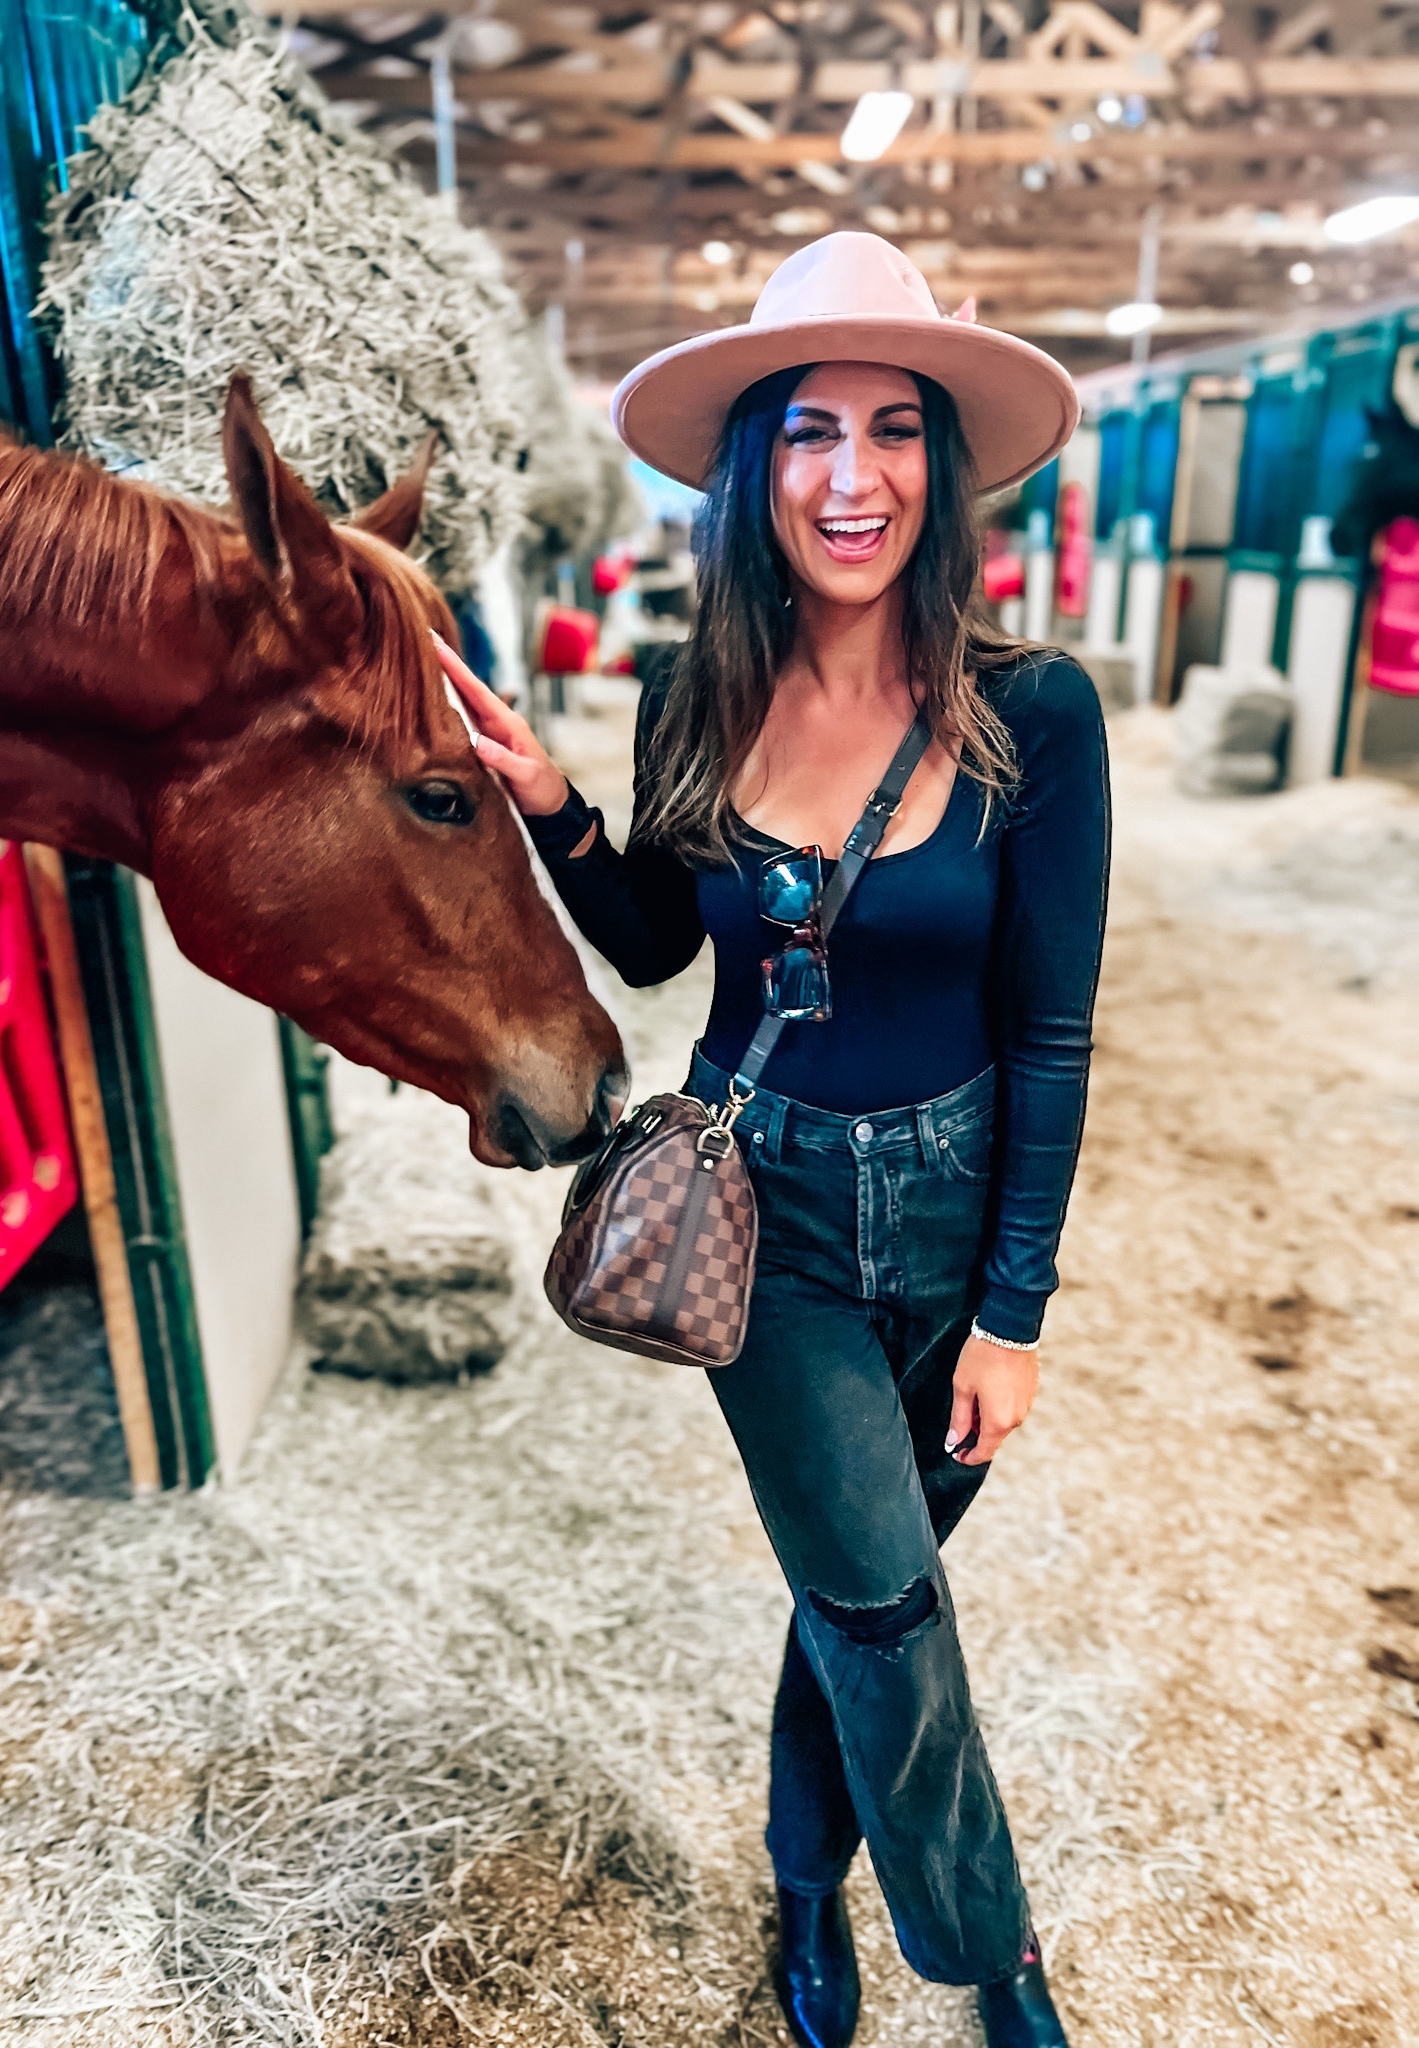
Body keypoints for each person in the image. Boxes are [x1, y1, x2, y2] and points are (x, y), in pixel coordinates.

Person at [435, 233, 1108, 2048]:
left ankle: (802, 1874)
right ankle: (994, 1963)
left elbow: (1051, 1033)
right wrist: (558, 809)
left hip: (959, 1208)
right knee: (881, 1607)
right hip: (769, 1214)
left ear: (938, 467)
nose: (850, 475)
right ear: (757, 464)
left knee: (865, 1589)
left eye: (893, 431)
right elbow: (665, 946)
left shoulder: (1036, 712)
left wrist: (1017, 1308)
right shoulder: (694, 689)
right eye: (810, 430)